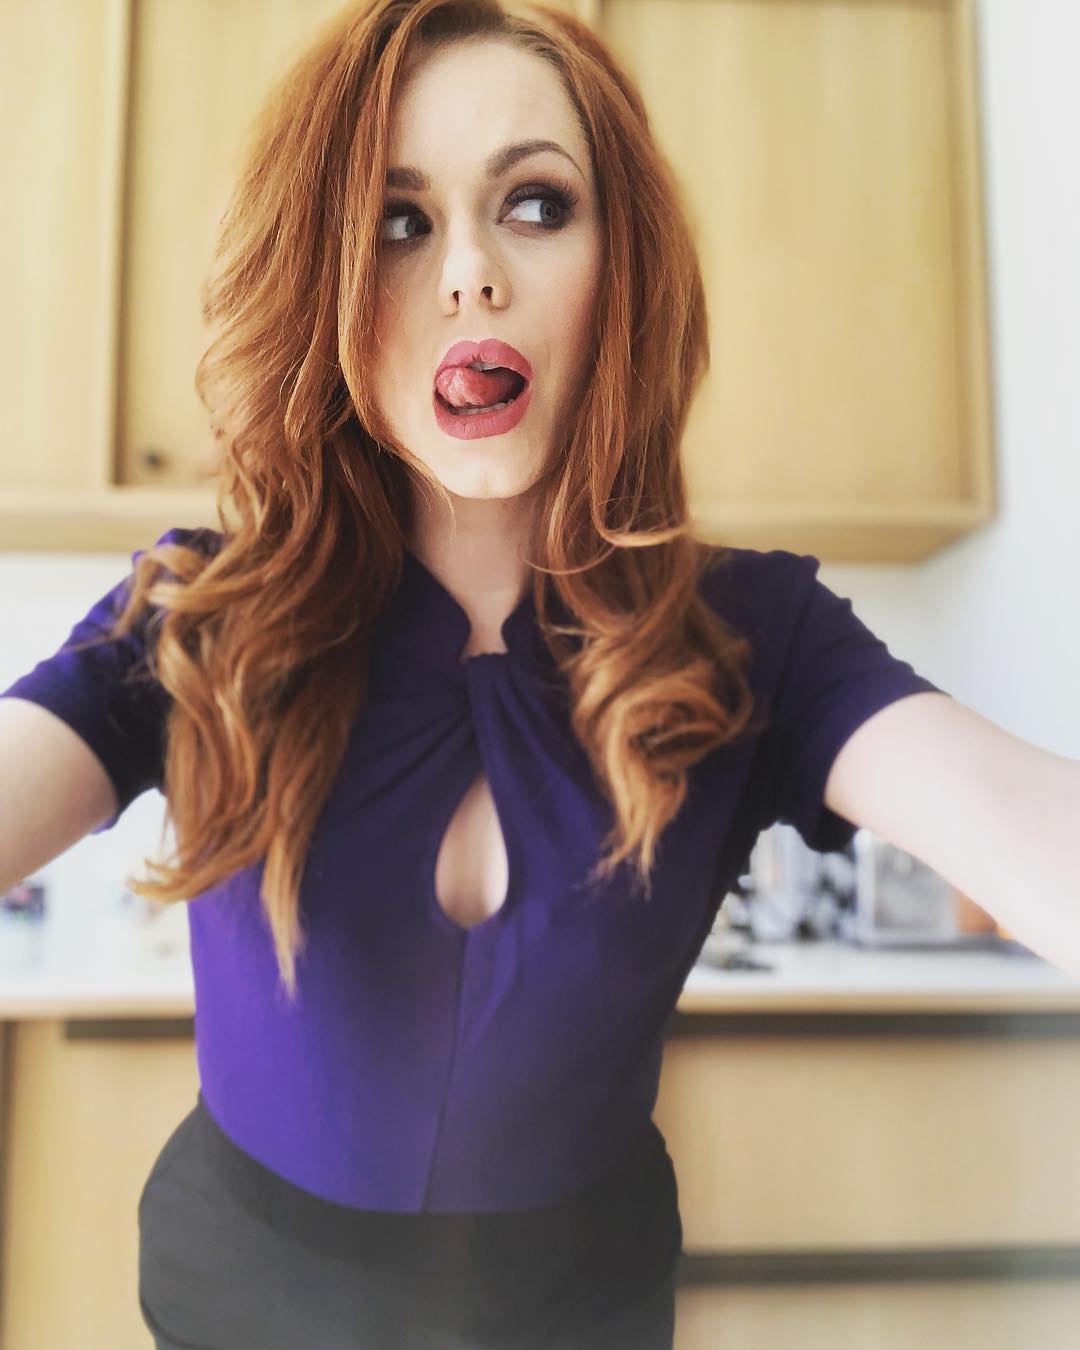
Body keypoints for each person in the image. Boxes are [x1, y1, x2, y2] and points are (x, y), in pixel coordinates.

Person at [4, 0, 1075, 1345]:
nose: (470, 274)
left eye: (535, 204)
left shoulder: (754, 635)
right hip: (236, 1300)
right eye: (399, 221)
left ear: (620, 262)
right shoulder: (201, 610)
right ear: (325, 277)